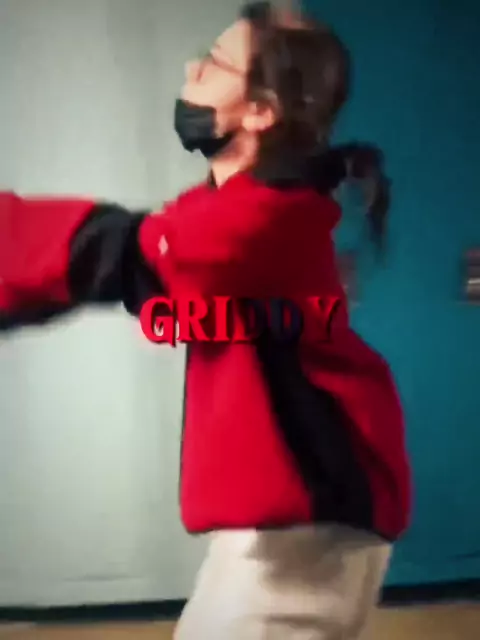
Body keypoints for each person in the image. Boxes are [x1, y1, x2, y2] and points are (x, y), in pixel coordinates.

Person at [0, 2, 411, 638]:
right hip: (285, 515)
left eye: (215, 64)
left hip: (313, 515)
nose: (192, 70)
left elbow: (121, 253)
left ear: (260, 111)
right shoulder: (234, 206)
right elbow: (144, 273)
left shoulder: (268, 216)